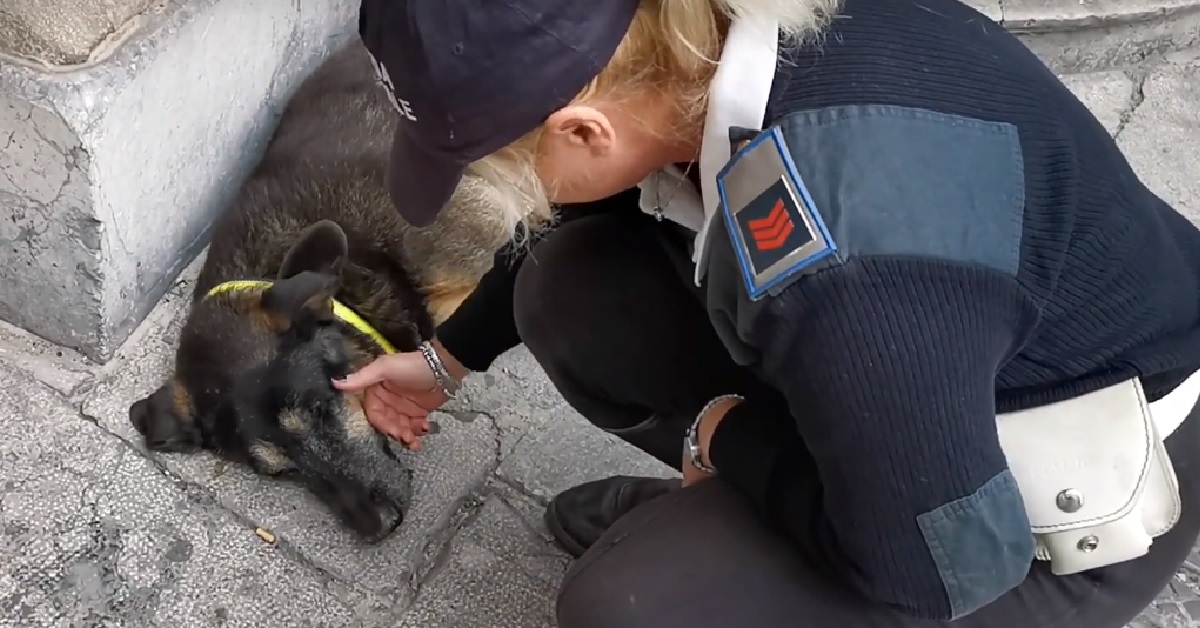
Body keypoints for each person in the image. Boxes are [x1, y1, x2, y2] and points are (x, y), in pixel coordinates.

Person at [340, 0, 1200, 625]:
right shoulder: (698, 45)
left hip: (1076, 489)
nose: (518, 195)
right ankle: (748, 529)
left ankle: (743, 553)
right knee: (568, 290)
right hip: (934, 365)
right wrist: (445, 359)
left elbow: (945, 567)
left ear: (585, 130)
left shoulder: (843, 261)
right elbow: (587, 211)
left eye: (510, 170)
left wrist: (723, 436)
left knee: (629, 606)